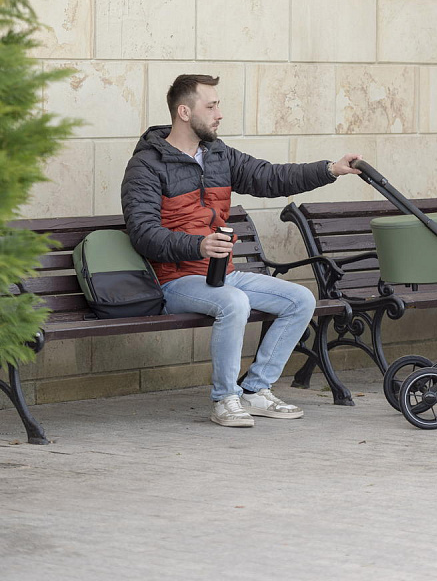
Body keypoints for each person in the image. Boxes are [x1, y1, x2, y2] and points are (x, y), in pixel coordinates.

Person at [121, 74, 361, 428]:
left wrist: (329, 170)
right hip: (174, 280)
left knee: (300, 299)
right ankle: (224, 399)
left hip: (222, 274)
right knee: (233, 302)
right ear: (184, 112)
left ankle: (256, 390)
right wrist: (198, 244)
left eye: (218, 105)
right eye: (211, 106)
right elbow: (143, 233)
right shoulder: (147, 165)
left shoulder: (218, 155)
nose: (219, 114)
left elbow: (271, 177)